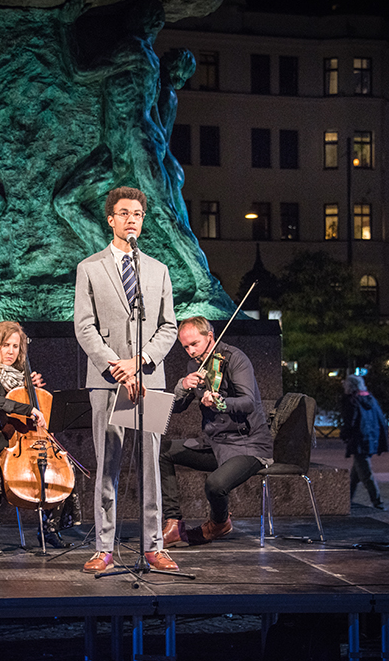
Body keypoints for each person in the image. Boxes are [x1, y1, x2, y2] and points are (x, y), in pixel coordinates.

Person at [73, 186, 179, 573]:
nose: (131, 219)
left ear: (142, 220)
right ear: (111, 219)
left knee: (152, 462)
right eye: (123, 213)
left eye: (137, 213)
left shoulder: (158, 269)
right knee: (108, 464)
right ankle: (103, 546)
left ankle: (153, 545)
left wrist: (140, 360)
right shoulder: (89, 267)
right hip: (106, 379)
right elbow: (84, 327)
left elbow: (169, 327)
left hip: (150, 376)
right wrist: (116, 364)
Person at [0, 321, 77, 555]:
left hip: (13, 447)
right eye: (5, 345)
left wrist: (30, 390)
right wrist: (29, 408)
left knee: (63, 467)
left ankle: (50, 529)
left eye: (16, 346)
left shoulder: (21, 377)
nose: (11, 351)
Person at [160, 317, 273, 547]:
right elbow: (178, 407)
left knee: (215, 484)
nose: (191, 351)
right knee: (162, 451)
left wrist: (221, 402)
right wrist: (183, 385)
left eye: (195, 344)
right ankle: (173, 523)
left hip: (248, 445)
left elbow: (248, 403)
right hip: (215, 443)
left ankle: (219, 523)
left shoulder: (235, 359)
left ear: (210, 337)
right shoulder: (196, 366)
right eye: (186, 347)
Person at [340, 375, 389, 511]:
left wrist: (344, 434)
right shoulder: (370, 399)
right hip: (370, 439)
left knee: (366, 475)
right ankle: (346, 501)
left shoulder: (353, 401)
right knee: (355, 475)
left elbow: (351, 421)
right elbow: (379, 419)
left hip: (359, 442)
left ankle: (378, 503)